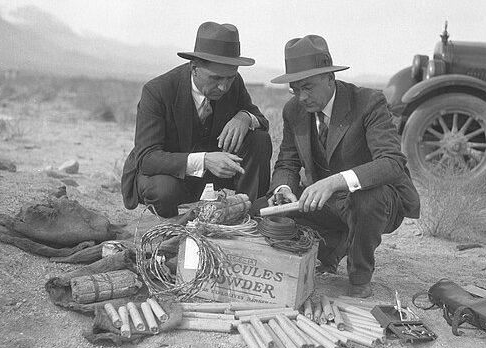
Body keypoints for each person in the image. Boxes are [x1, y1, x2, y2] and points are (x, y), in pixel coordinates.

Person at [265, 35, 420, 298]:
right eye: (294, 89)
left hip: (378, 201)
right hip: (329, 204)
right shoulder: (293, 111)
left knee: (366, 200)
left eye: (308, 87)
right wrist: (283, 189)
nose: (301, 97)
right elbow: (287, 163)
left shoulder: (368, 102)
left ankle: (359, 275)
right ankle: (333, 246)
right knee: (266, 210)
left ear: (329, 77)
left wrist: (335, 181)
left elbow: (392, 163)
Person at [121, 22, 272, 218]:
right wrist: (205, 160)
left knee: (259, 139)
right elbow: (147, 159)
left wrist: (244, 117)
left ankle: (249, 215)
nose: (224, 87)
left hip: (212, 180)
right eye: (216, 78)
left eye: (230, 78)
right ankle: (171, 229)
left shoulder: (233, 83)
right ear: (194, 68)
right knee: (163, 189)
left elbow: (261, 120)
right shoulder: (157, 91)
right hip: (169, 177)